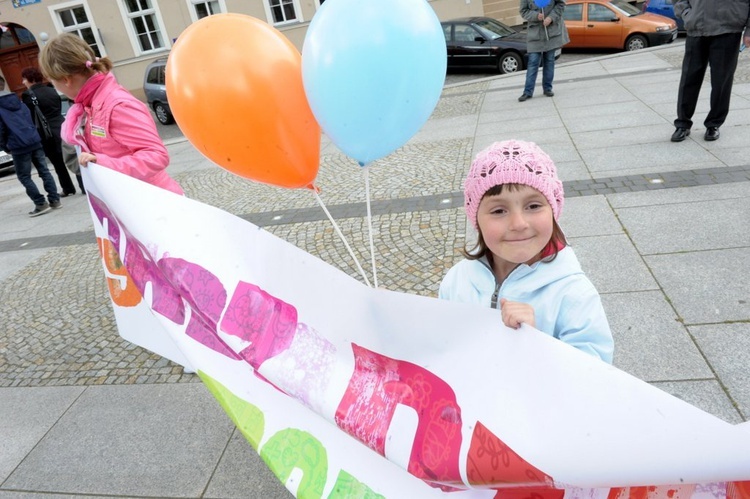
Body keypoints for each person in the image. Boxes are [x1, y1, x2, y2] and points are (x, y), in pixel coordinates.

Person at [439, 140, 613, 363]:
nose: (519, 223)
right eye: (499, 210)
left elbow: (595, 373)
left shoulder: (573, 295)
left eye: (533, 206)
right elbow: (442, 345)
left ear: (553, 209)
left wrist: (537, 344)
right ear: (476, 219)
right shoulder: (457, 280)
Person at [37, 33, 183, 195]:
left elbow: (156, 156)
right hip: (131, 201)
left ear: (66, 79)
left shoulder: (117, 104)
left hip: (154, 203)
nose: (56, 88)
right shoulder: (92, 104)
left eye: (53, 82)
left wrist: (101, 163)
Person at [670, 0, 750, 142]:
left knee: (722, 80)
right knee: (689, 78)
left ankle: (714, 124)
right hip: (697, 25)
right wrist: (686, 13)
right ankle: (682, 123)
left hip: (728, 28)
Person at [0, 75, 61, 217]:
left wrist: (5, 146)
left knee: (24, 175)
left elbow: (1, 130)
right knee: (44, 171)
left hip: (18, 144)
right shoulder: (18, 100)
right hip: (34, 139)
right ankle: (55, 200)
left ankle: (40, 203)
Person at [20, 66, 78, 197]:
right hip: (62, 125)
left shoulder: (28, 95)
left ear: (30, 79)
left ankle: (68, 188)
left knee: (57, 162)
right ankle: (83, 185)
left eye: (24, 79)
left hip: (46, 131)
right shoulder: (51, 90)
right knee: (72, 156)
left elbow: (30, 115)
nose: (23, 82)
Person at [518, 0, 569, 102]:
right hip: (535, 34)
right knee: (533, 62)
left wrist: (551, 17)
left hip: (551, 32)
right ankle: (527, 91)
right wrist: (536, 15)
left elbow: (561, 4)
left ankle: (547, 88)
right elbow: (523, 11)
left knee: (549, 61)